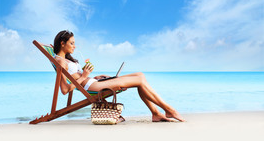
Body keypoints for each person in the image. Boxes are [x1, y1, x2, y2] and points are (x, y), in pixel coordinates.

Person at [54, 30, 186, 122]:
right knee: (139, 80)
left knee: (140, 75)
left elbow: (76, 76)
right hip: (92, 86)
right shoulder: (61, 62)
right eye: (72, 43)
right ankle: (169, 110)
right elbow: (65, 90)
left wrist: (95, 76)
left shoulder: (67, 60)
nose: (74, 46)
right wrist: (85, 76)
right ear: (62, 43)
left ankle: (156, 114)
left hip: (93, 81)